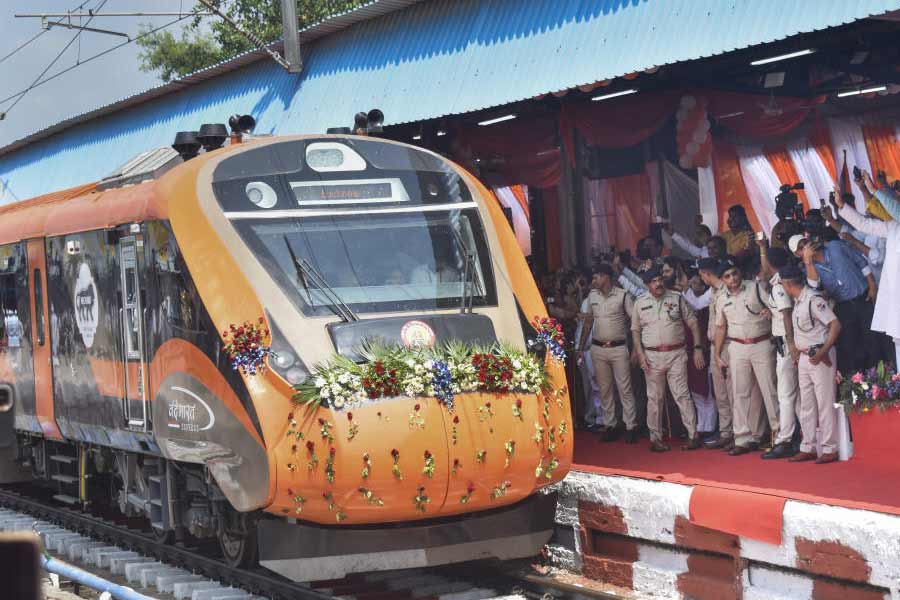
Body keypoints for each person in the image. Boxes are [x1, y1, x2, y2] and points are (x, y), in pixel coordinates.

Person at [631, 266, 706, 452]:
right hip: (651, 356)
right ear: (647, 285)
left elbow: (693, 323)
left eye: (659, 279)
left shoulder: (676, 298)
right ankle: (655, 439)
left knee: (682, 395)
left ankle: (692, 435)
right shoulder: (640, 303)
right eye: (654, 281)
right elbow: (635, 331)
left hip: (676, 354)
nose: (658, 283)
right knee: (654, 398)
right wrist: (640, 355)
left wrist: (697, 348)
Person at [713, 258, 782, 456]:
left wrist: (769, 312)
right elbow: (720, 327)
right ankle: (742, 438)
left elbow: (775, 308)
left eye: (734, 273)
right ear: (722, 279)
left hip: (761, 343)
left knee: (770, 391)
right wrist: (717, 355)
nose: (732, 278)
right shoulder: (720, 298)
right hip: (737, 347)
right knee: (740, 394)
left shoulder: (755, 287)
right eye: (727, 276)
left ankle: (779, 436)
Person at [779, 264, 842, 464]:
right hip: (805, 357)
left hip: (819, 355)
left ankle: (829, 447)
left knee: (824, 402)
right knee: (806, 404)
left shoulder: (812, 300)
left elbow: (835, 325)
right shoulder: (798, 301)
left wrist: (823, 351)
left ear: (788, 284)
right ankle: (808, 446)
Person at [834, 187, 900, 368]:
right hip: (895, 302)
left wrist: (871, 189)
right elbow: (864, 224)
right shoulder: (892, 227)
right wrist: (842, 206)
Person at [799, 232, 877, 375]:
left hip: (863, 298)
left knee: (872, 339)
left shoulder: (835, 247)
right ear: (799, 254)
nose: (806, 247)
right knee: (852, 345)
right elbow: (814, 289)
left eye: (805, 243)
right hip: (843, 306)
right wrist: (808, 261)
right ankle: (860, 383)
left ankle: (882, 379)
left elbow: (860, 261)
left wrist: (872, 285)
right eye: (801, 248)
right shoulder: (809, 269)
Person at [579, 264, 638, 443]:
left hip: (619, 348)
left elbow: (635, 321)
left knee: (624, 388)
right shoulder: (592, 296)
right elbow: (588, 323)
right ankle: (610, 425)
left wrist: (636, 348)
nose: (593, 281)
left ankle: (630, 426)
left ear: (605, 277)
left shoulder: (622, 295)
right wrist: (580, 348)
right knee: (604, 389)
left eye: (596, 277)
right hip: (598, 348)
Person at [759, 244, 799, 459]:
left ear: (770, 264)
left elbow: (786, 313)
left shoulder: (778, 285)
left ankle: (785, 440)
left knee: (785, 394)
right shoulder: (780, 280)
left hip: (787, 341)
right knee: (797, 395)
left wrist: (791, 343)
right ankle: (804, 438)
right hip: (788, 340)